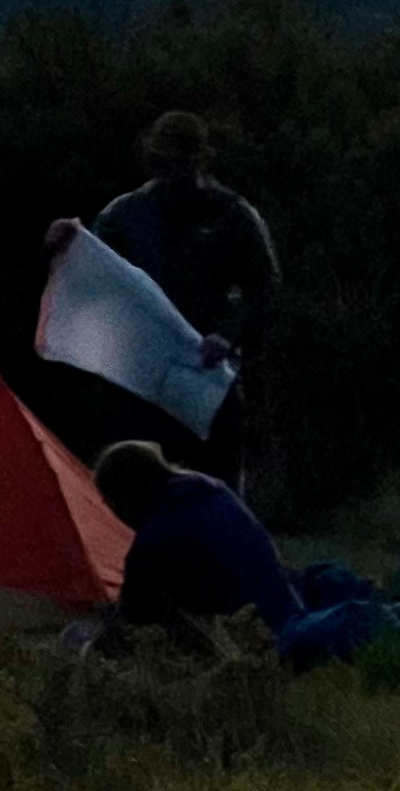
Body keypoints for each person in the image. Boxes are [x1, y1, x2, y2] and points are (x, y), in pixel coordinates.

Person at [66, 109, 282, 489]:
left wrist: (228, 335)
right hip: (143, 383)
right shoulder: (125, 215)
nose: (172, 177)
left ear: (200, 161)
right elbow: (91, 273)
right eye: (164, 164)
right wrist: (63, 244)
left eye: (181, 165)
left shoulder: (232, 215)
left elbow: (264, 288)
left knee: (217, 489)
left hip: (207, 381)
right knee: (139, 495)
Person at [96, 438, 302, 639]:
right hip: (287, 607)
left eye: (111, 503)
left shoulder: (155, 536)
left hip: (251, 631)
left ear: (125, 496)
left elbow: (136, 614)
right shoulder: (211, 491)